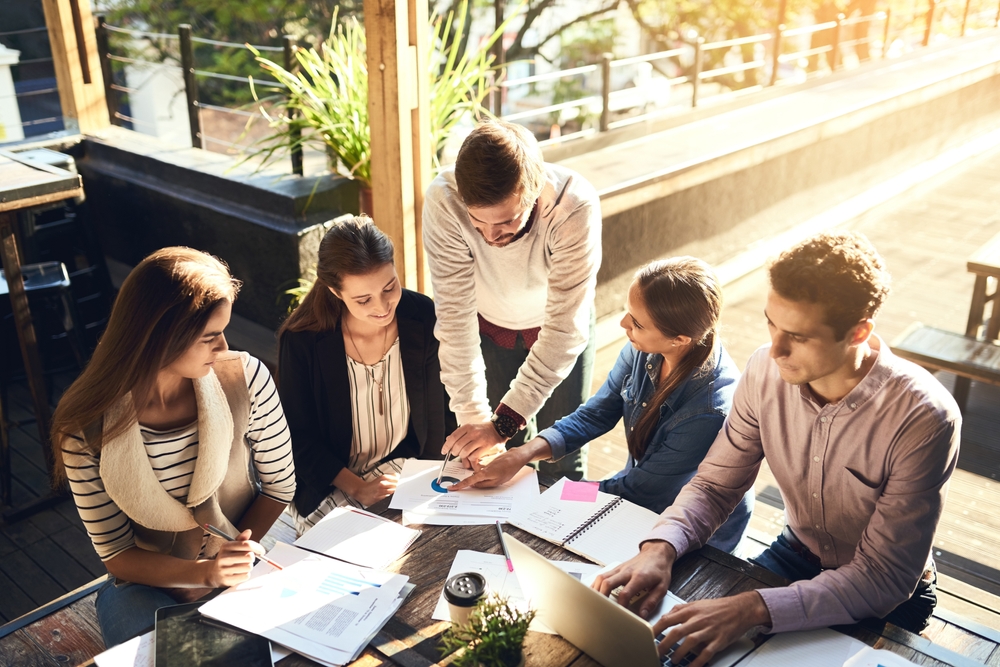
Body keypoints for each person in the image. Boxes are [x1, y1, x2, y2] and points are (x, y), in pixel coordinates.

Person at [593, 232, 961, 667]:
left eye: (798, 336)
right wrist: (659, 548)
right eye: (771, 324)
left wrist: (751, 607)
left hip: (890, 596)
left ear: (859, 331)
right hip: (793, 554)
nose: (776, 350)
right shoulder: (763, 370)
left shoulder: (924, 417)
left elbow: (884, 577)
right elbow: (714, 486)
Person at [51, 248, 296, 648]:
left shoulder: (246, 377)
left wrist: (231, 559)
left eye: (223, 331)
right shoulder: (84, 426)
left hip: (239, 564)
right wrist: (201, 575)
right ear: (159, 337)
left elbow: (279, 486)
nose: (223, 348)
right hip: (144, 586)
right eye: (209, 337)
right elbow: (116, 553)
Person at [451, 257, 753, 554]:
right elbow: (596, 414)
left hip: (696, 538)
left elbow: (638, 492)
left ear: (679, 339)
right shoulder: (645, 347)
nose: (623, 324)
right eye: (628, 312)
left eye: (636, 323)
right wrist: (522, 454)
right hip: (639, 496)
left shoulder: (709, 411)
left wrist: (552, 493)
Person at [423, 118, 602, 479]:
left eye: (506, 221)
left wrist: (502, 424)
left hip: (561, 332)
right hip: (490, 330)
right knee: (503, 459)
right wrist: (476, 427)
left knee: (566, 460)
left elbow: (564, 331)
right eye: (478, 222)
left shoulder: (574, 206)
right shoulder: (444, 200)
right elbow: (455, 319)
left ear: (535, 191)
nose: (490, 237)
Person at [277, 216, 454, 534]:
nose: (383, 306)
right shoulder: (302, 341)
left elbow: (440, 406)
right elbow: (297, 437)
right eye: (363, 299)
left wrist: (432, 475)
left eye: (390, 287)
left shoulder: (421, 315)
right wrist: (357, 487)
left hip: (406, 463)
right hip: (331, 481)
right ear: (335, 291)